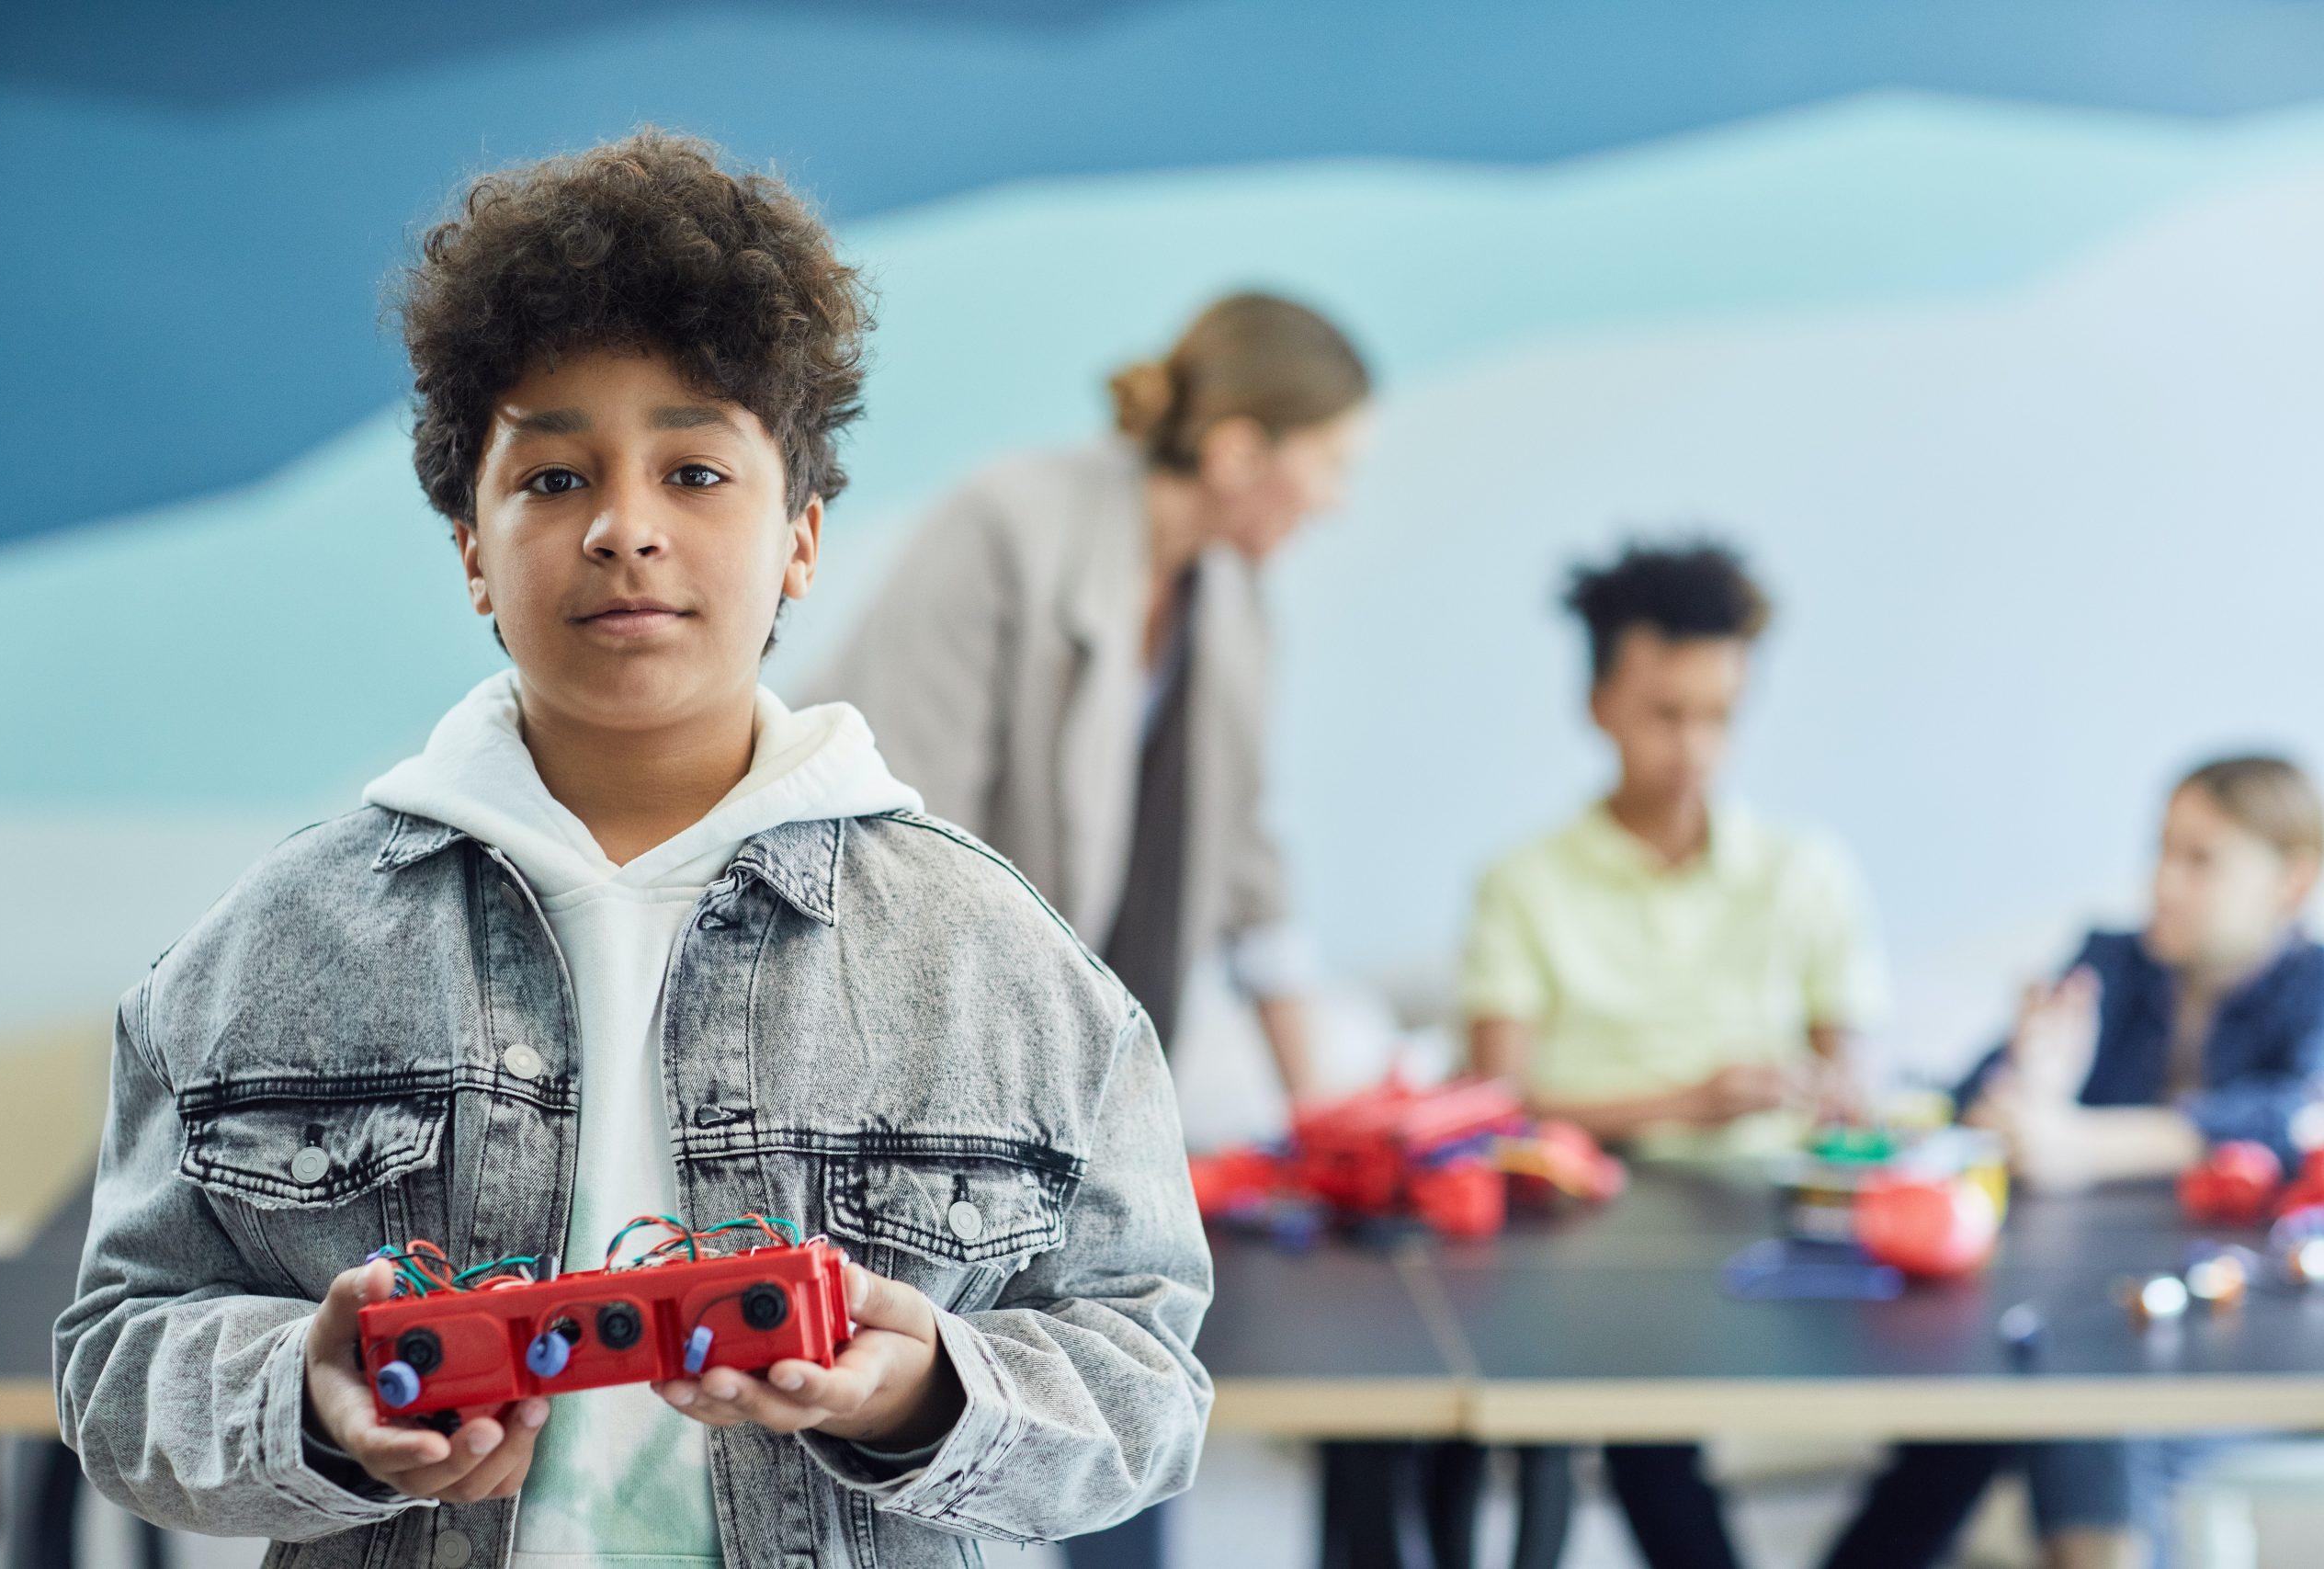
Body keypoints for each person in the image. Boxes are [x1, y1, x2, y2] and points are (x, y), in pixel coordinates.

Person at [51, 131, 1212, 1569]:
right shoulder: (269, 946)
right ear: (470, 545)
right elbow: (118, 1358)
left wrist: (924, 1388)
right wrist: (306, 1396)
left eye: (696, 470)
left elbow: (1149, 1380)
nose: (624, 528)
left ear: (801, 535)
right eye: (551, 478)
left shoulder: (1000, 960)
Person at [809, 290, 1370, 1567]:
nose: (1334, 498)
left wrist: (1324, 1112)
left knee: (1112, 1412)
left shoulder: (1233, 603)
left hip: (1084, 1097)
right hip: (917, 1080)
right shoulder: (1006, 528)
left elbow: (1249, 862)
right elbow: (892, 831)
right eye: (1328, 462)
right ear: (1238, 448)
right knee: (880, 1444)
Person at [1453, 540, 1888, 1569]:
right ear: (1599, 705)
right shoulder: (1523, 884)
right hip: (1593, 1225)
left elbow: (1855, 1085)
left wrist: (1836, 1101)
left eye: (1719, 716)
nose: (1693, 746)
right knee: (1641, 1396)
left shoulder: (1807, 871)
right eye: (1665, 714)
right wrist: (1685, 1102)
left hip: (1781, 1217)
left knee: (1986, 1409)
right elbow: (1493, 1107)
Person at [1822, 755, 2324, 1569]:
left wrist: (2078, 1142)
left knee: (2085, 1413)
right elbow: (1975, 1102)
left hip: (2252, 1335)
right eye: (2162, 850)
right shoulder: (2111, 962)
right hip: (2087, 1312)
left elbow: (2286, 1118)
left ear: (2290, 880)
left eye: (2202, 860)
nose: (2164, 880)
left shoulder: (2316, 990)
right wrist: (2028, 1083)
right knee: (1978, 1412)